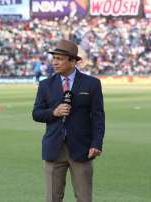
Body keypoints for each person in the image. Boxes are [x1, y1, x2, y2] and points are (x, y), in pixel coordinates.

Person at [32, 39, 105, 202]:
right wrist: (54, 112)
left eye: (59, 59)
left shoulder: (92, 84)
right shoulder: (45, 85)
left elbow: (98, 116)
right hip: (53, 149)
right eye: (54, 58)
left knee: (84, 198)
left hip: (82, 149)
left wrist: (96, 143)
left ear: (72, 61)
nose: (55, 63)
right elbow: (36, 113)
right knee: (52, 198)